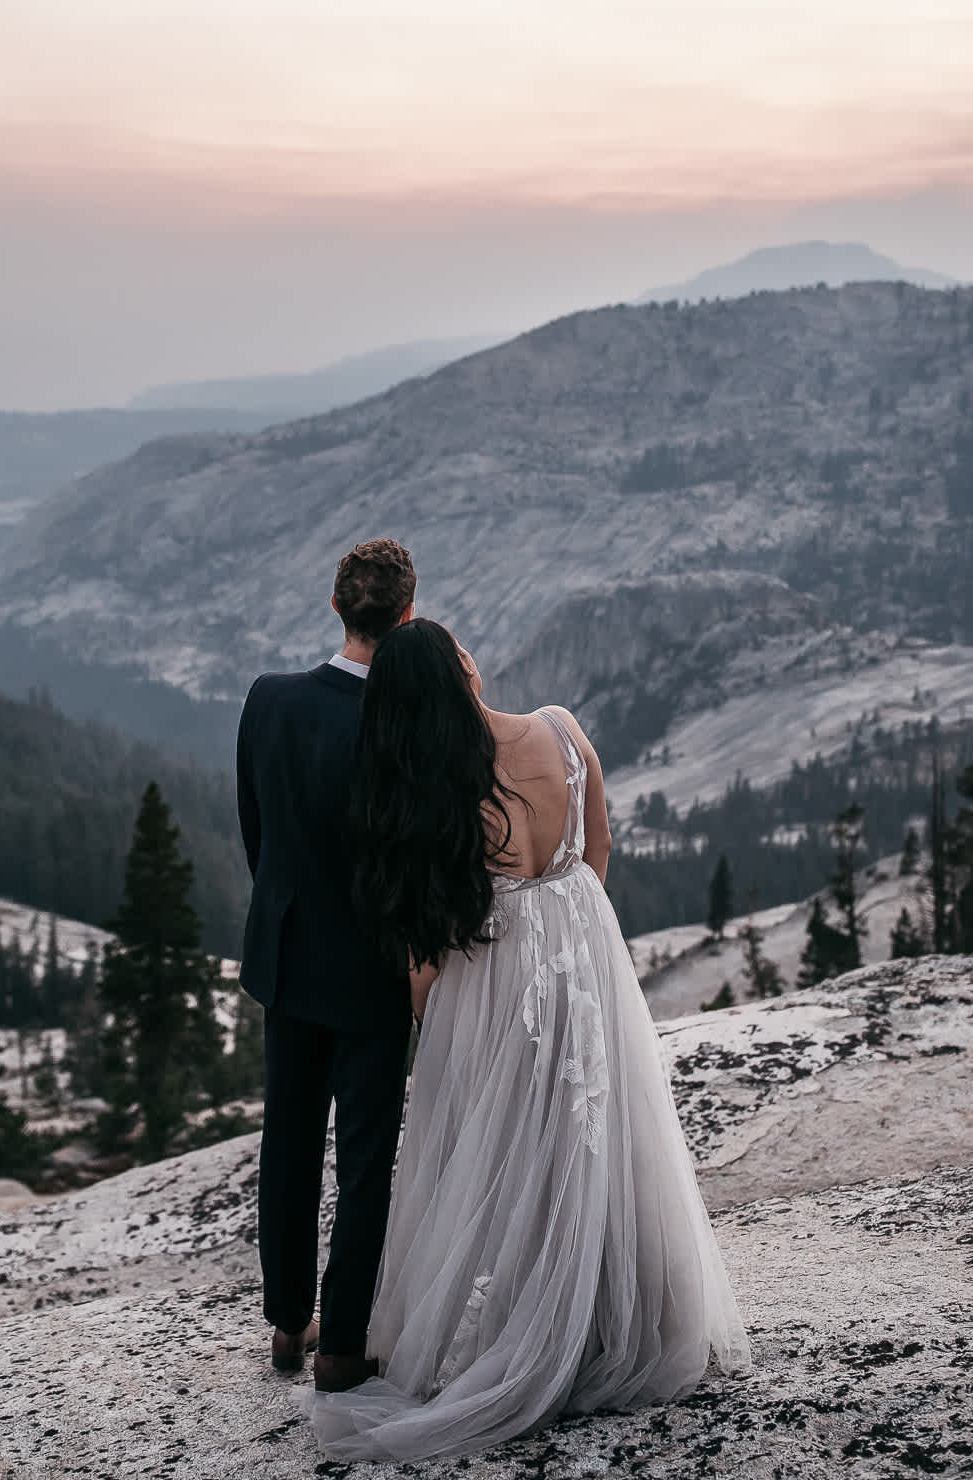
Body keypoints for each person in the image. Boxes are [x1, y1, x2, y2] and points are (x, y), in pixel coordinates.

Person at [313, 618, 751, 1461]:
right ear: (466, 668)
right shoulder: (562, 728)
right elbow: (600, 847)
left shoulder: (441, 786)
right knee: (602, 1135)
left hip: (499, 966)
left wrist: (429, 1009)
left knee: (507, 1144)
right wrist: (572, 929)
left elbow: (431, 944)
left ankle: (525, 1325)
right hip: (586, 937)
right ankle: (613, 1316)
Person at [237, 538, 416, 1391]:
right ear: (407, 615)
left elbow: (257, 835)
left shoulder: (268, 702)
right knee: (367, 1157)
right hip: (373, 972)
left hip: (288, 955)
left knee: (290, 1140)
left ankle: (285, 1323)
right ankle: (342, 1345)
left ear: (336, 606)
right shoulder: (400, 726)